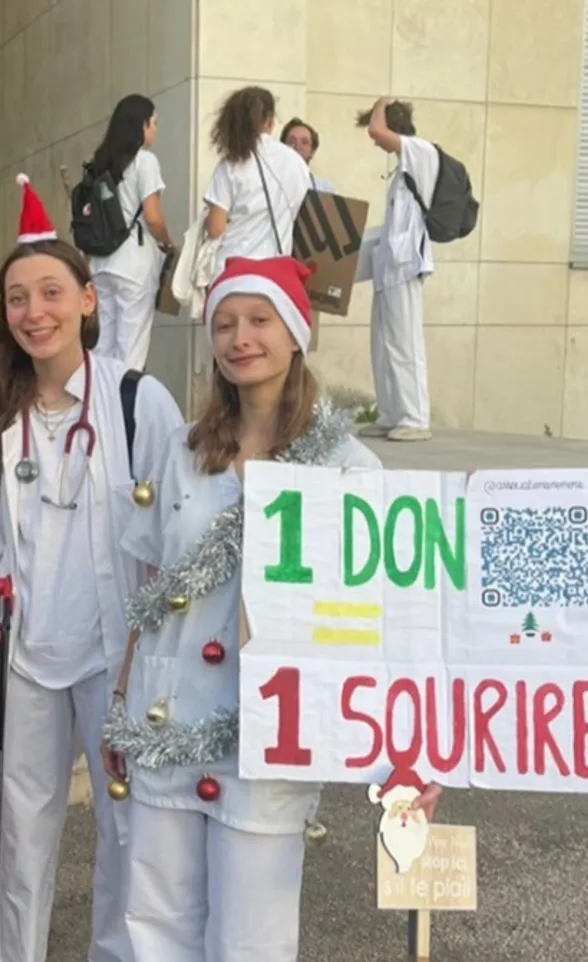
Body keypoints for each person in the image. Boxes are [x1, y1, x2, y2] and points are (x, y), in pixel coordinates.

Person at [101, 255, 443, 962]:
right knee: (154, 924)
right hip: (168, 716)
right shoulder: (181, 452)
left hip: (272, 736)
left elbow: (380, 614)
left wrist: (408, 749)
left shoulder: (347, 466)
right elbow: (152, 588)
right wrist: (121, 698)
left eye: (259, 320)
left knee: (251, 937)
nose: (239, 338)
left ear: (297, 331)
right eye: (224, 323)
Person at [0, 174, 184, 962]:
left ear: (89, 300)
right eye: (18, 299)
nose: (34, 313)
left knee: (128, 830)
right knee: (22, 836)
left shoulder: (136, 402)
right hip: (30, 660)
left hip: (116, 660)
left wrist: (155, 659)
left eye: (51, 292)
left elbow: (175, 537)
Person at [355, 97, 438, 442]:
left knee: (406, 343)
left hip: (406, 268)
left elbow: (377, 129)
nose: (374, 140)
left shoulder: (421, 153)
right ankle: (392, 413)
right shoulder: (402, 170)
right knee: (384, 345)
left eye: (378, 132)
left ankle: (415, 416)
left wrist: (380, 104)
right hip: (388, 268)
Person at [83, 94, 176, 371]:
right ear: (142, 125)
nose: (155, 130)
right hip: (134, 266)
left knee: (103, 347)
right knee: (131, 351)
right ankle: (124, 410)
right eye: (154, 123)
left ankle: (99, 407)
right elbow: (153, 217)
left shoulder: (99, 161)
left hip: (101, 264)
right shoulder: (145, 162)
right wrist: (168, 243)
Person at [202, 86, 312, 278]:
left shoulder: (232, 163)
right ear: (270, 121)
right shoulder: (297, 163)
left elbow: (215, 228)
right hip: (275, 274)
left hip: (232, 271)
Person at [280, 117, 336, 192]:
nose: (297, 146)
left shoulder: (326, 189)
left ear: (312, 151)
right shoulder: (270, 185)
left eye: (304, 142)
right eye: (291, 141)